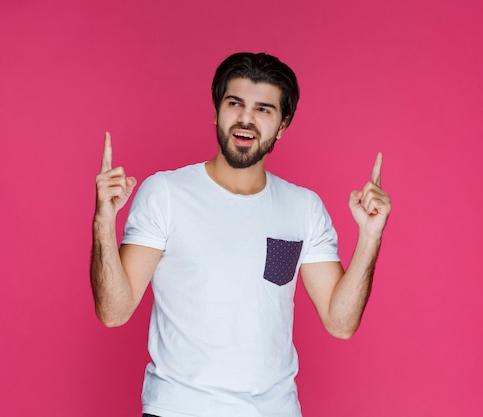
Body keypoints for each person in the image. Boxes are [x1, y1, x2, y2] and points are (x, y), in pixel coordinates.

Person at [91, 52, 391, 417]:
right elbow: (114, 312)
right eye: (235, 103)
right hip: (179, 409)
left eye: (264, 109)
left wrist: (370, 235)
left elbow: (341, 323)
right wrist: (103, 221)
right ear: (217, 110)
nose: (246, 119)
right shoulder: (165, 193)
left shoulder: (303, 207)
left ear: (282, 125)